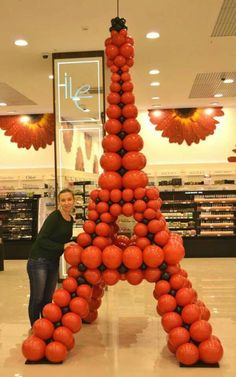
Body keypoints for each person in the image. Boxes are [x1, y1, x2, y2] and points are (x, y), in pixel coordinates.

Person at [27, 188, 76, 327]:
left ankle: (44, 328)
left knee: (48, 299)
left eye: (69, 199)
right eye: (63, 200)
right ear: (59, 202)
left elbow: (62, 239)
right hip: (39, 260)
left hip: (53, 262)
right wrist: (62, 246)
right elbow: (41, 239)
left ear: (74, 200)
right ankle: (35, 328)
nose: (66, 203)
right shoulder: (55, 217)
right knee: (37, 298)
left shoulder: (70, 219)